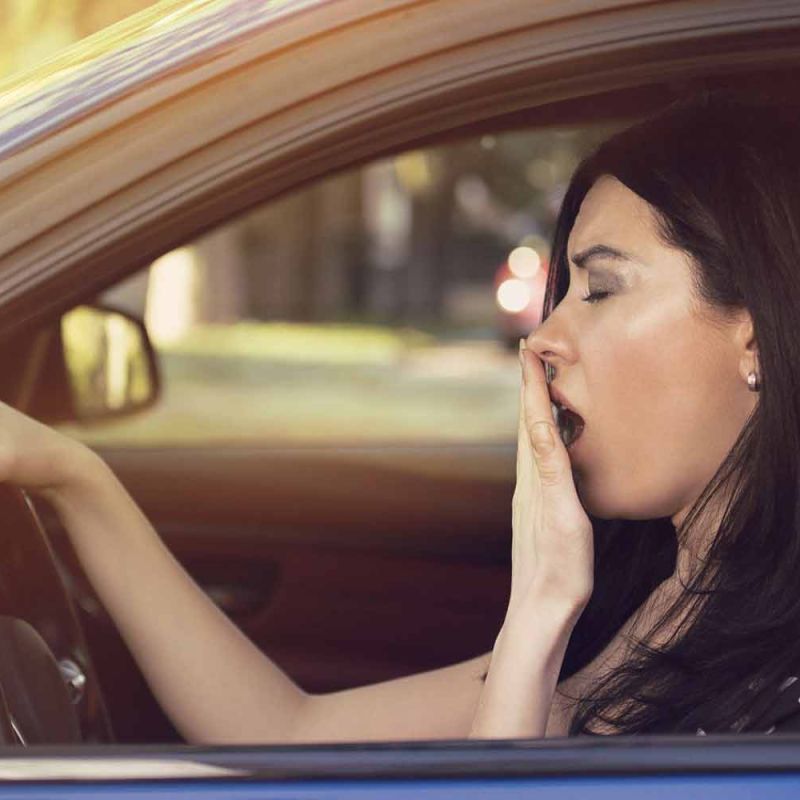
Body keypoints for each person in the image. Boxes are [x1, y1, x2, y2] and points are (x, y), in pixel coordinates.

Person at [1, 89, 799, 741]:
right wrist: (75, 479)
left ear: (756, 334)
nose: (545, 337)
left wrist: (540, 609)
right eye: (559, 296)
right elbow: (287, 733)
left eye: (601, 289)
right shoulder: (668, 605)